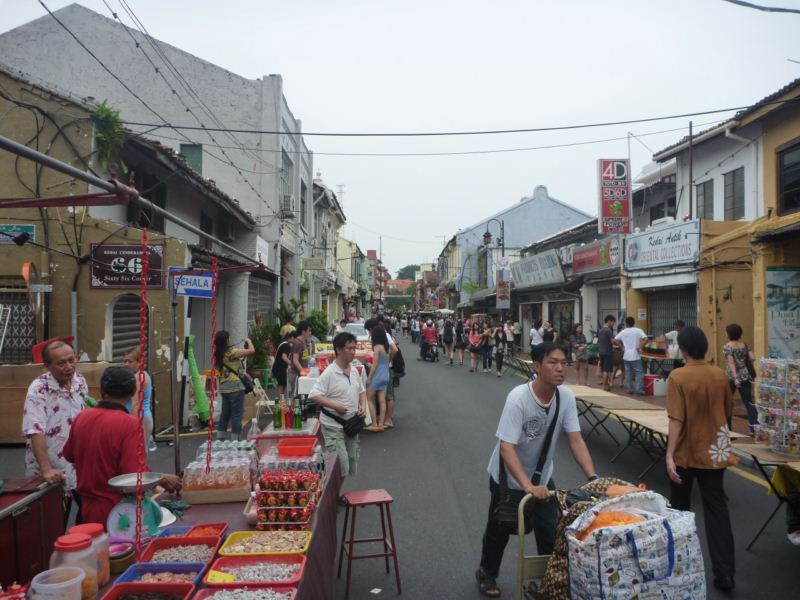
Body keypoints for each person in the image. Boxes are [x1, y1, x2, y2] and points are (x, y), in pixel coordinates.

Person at [476, 342, 598, 598]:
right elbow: (507, 447)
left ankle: (546, 582)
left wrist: (593, 478)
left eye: (564, 362)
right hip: (507, 477)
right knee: (500, 527)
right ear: (538, 366)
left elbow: (575, 439)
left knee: (550, 531)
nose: (560, 368)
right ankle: (487, 573)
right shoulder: (518, 398)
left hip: (541, 478)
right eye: (553, 362)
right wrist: (526, 486)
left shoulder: (565, 397)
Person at [63, 366, 182, 525]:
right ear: (133, 392)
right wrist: (161, 478)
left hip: (87, 509)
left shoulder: (81, 417)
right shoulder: (129, 424)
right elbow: (133, 476)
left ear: (102, 391)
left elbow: (69, 455)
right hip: (118, 513)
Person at [665, 326, 736, 592]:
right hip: (716, 452)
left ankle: (681, 569)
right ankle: (725, 573)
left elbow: (676, 419)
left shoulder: (678, 377)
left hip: (685, 453)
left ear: (683, 349)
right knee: (717, 510)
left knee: (681, 511)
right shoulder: (720, 375)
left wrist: (669, 454)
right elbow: (727, 411)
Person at [22, 341, 87, 520]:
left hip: (78, 465)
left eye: (71, 360)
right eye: (61, 363)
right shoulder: (39, 389)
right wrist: (46, 469)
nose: (68, 367)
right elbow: (34, 430)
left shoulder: (79, 381)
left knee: (91, 516)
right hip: (53, 469)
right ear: (47, 366)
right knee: (54, 524)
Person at [309, 332, 367, 478]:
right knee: (340, 464)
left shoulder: (354, 370)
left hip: (352, 424)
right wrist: (335, 406)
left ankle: (339, 492)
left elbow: (362, 391)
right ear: (339, 349)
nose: (353, 352)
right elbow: (314, 395)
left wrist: (363, 406)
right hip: (333, 426)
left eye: (354, 348)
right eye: (349, 348)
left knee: (352, 459)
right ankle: (334, 496)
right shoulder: (330, 372)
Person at [214, 331, 255, 440]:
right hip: (236, 388)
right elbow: (251, 350)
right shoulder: (232, 352)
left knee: (225, 414)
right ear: (227, 340)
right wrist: (249, 341)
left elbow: (220, 370)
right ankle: (235, 440)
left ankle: (220, 439)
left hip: (224, 388)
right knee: (237, 415)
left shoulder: (217, 354)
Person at [723, 323, 758, 432]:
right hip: (745, 375)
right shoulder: (745, 345)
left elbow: (731, 363)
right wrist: (743, 362)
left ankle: (728, 429)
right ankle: (755, 427)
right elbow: (753, 357)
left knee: (728, 402)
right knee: (749, 402)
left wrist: (735, 377)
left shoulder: (727, 346)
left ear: (729, 334)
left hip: (732, 377)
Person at [121, 346, 157, 453]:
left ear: (139, 362)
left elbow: (135, 403)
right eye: (124, 361)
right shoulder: (136, 375)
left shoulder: (139, 377)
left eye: (130, 361)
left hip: (140, 419)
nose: (126, 364)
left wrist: (131, 425)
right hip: (141, 418)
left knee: (137, 454)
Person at [365, 324, 392, 432]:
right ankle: (381, 424)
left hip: (377, 375)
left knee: (369, 398)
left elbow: (375, 365)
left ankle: (375, 424)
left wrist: (369, 378)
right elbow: (383, 363)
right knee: (382, 401)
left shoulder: (377, 347)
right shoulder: (386, 348)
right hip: (385, 374)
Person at [614, 316, 647, 395]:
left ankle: (629, 389)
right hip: (636, 355)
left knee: (628, 372)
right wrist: (640, 347)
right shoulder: (638, 330)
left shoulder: (623, 332)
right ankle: (639, 389)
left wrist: (622, 347)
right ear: (634, 323)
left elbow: (615, 339)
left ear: (626, 323)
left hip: (626, 356)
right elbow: (646, 339)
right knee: (639, 372)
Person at [288, 321, 312, 402]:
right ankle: (290, 413)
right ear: (303, 331)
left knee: (299, 394)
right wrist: (303, 371)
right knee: (292, 395)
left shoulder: (304, 341)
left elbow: (304, 356)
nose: (310, 333)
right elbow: (295, 360)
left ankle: (297, 412)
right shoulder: (297, 342)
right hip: (295, 373)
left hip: (300, 372)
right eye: (308, 331)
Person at [271, 330, 296, 402]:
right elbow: (284, 357)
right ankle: (280, 403)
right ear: (291, 338)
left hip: (279, 367)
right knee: (281, 386)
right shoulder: (286, 345)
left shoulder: (284, 344)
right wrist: (292, 364)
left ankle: (281, 402)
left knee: (282, 385)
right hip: (280, 368)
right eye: (295, 339)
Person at [597, 315, 616, 391]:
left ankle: (605, 384)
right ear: (609, 321)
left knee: (603, 369)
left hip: (601, 352)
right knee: (606, 370)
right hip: (608, 352)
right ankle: (605, 386)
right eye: (613, 322)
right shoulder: (608, 330)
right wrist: (618, 344)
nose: (613, 324)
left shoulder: (600, 330)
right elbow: (612, 341)